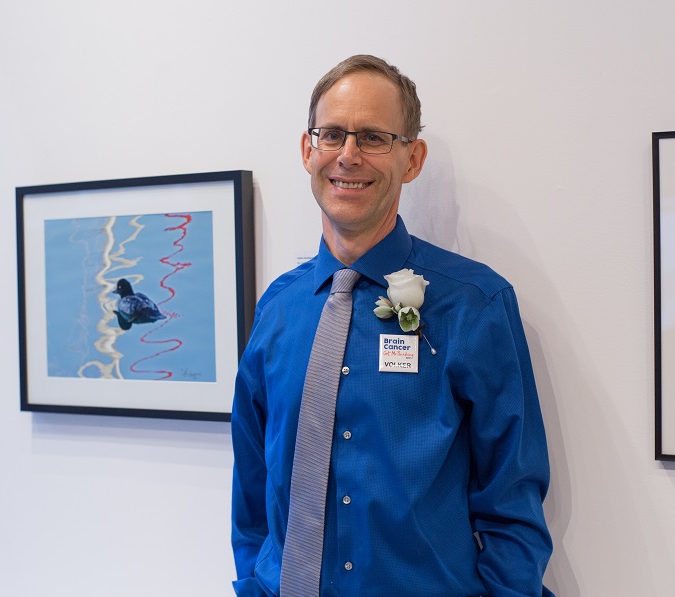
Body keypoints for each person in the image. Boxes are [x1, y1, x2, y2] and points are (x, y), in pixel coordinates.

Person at [231, 54, 554, 597]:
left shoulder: (474, 304)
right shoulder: (279, 308)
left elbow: (511, 501)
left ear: (413, 158)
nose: (348, 155)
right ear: (308, 149)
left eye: (374, 137)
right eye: (332, 134)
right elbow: (252, 486)